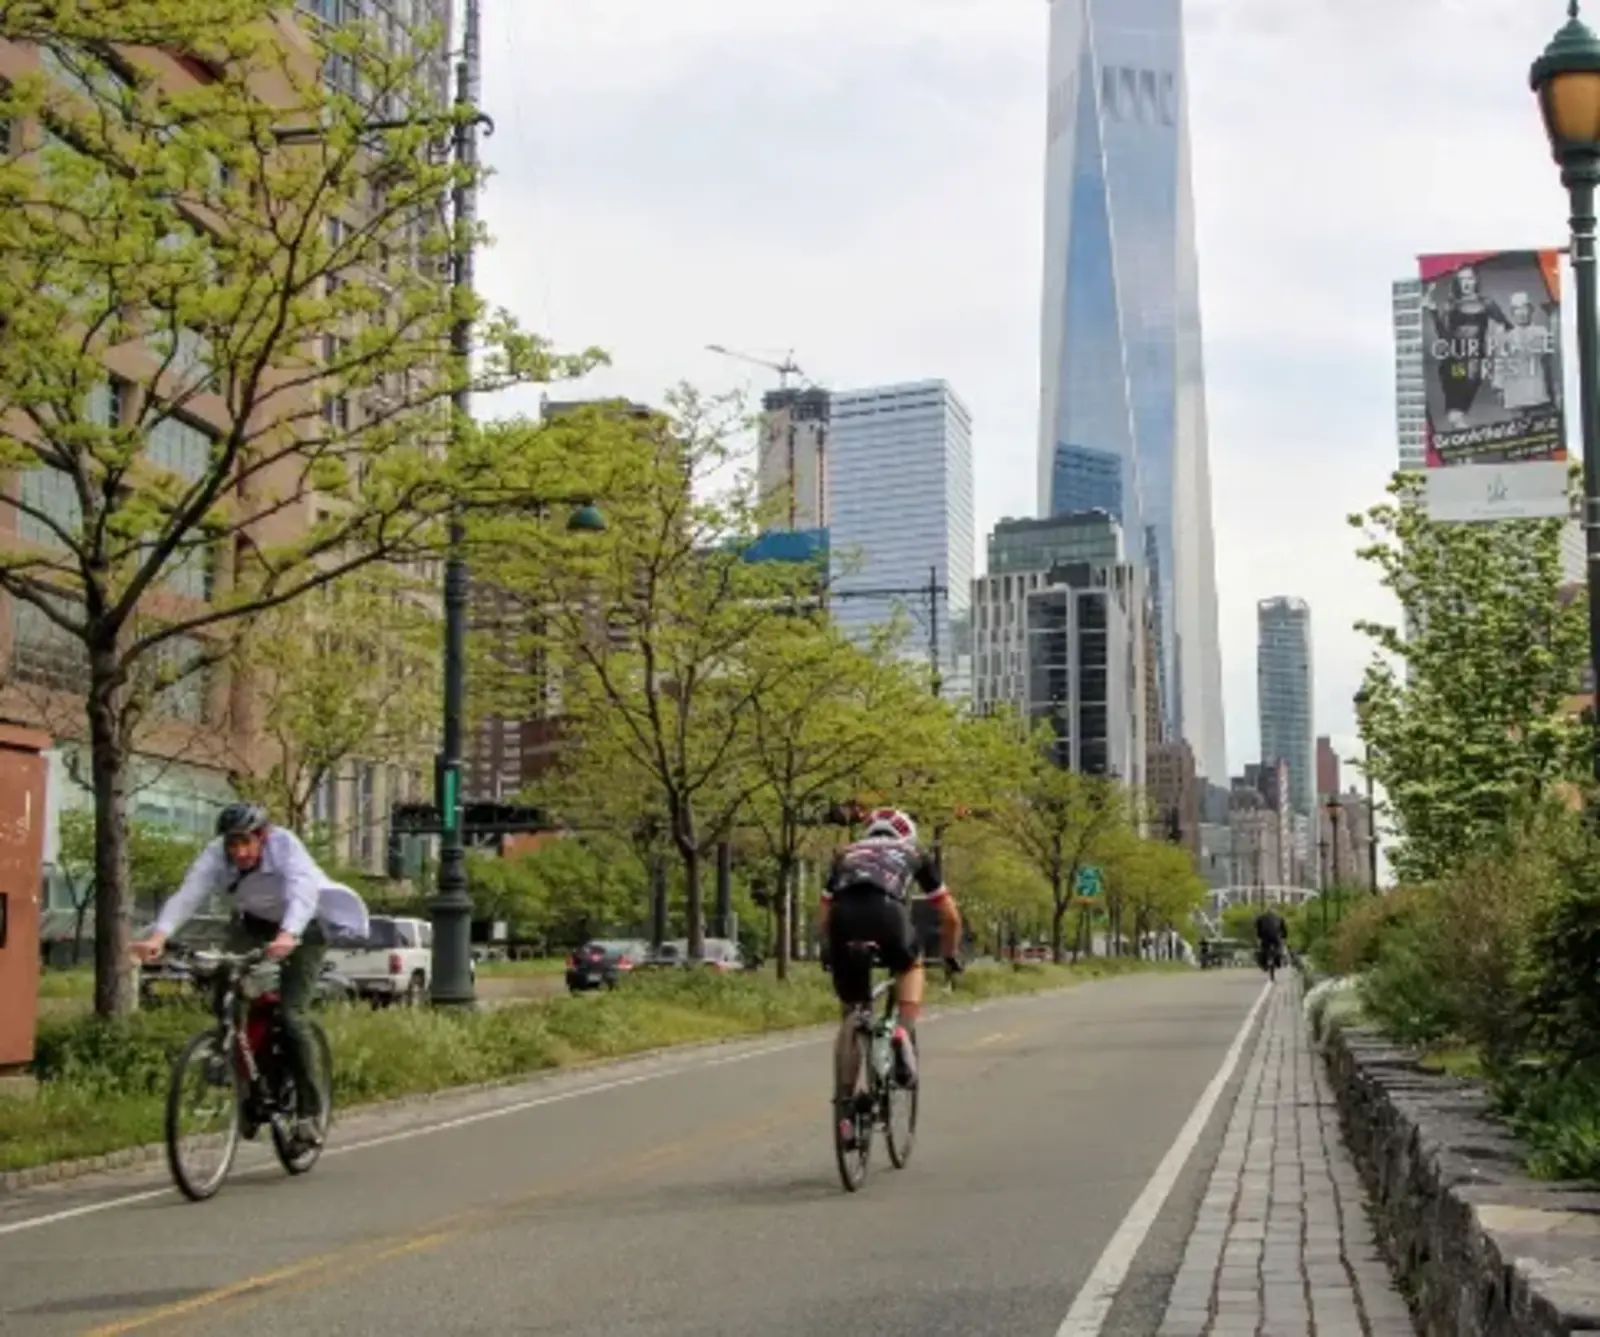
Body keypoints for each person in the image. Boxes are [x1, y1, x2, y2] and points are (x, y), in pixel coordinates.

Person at [131, 802, 369, 1148]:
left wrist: (288, 934)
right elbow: (189, 893)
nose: (239, 852)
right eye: (232, 843)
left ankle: (308, 1113)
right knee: (227, 988)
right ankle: (247, 1081)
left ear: (263, 836)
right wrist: (159, 936)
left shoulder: (285, 846)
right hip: (252, 926)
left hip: (303, 929)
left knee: (291, 1017)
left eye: (246, 842)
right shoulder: (216, 855)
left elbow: (302, 892)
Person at [817, 808, 963, 1117]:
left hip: (843, 919)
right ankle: (902, 1032)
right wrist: (950, 954)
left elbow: (825, 911)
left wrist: (828, 948)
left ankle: (846, 1101)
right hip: (888, 913)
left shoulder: (845, 854)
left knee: (853, 1009)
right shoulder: (914, 853)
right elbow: (950, 916)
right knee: (911, 965)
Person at [1254, 906, 1288, 979]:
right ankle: (1278, 962)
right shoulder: (1279, 918)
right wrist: (1284, 937)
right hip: (1276, 937)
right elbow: (1284, 930)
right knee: (1279, 948)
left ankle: (1264, 965)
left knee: (1262, 949)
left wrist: (1259, 937)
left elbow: (1257, 928)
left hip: (1265, 938)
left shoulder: (1261, 918)